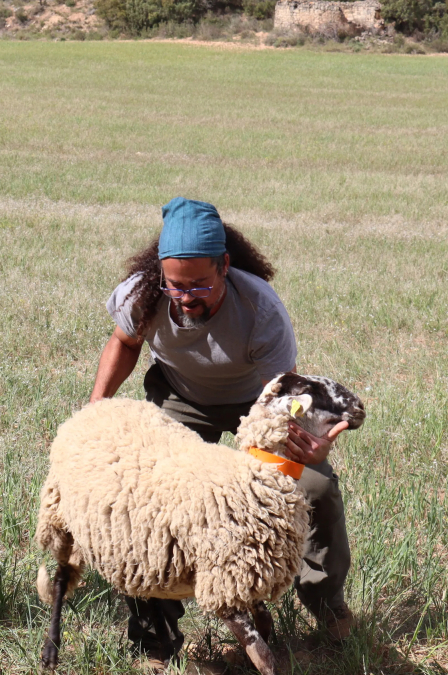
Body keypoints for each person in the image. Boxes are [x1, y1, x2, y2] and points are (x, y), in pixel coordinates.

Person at [90, 197, 353, 663]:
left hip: (251, 408)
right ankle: (157, 636)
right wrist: (97, 409)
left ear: (225, 267)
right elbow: (124, 343)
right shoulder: (142, 293)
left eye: (199, 285)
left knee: (316, 487)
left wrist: (300, 452)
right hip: (179, 400)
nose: (186, 296)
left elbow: (280, 396)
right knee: (152, 504)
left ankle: (326, 605)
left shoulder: (259, 308)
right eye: (175, 286)